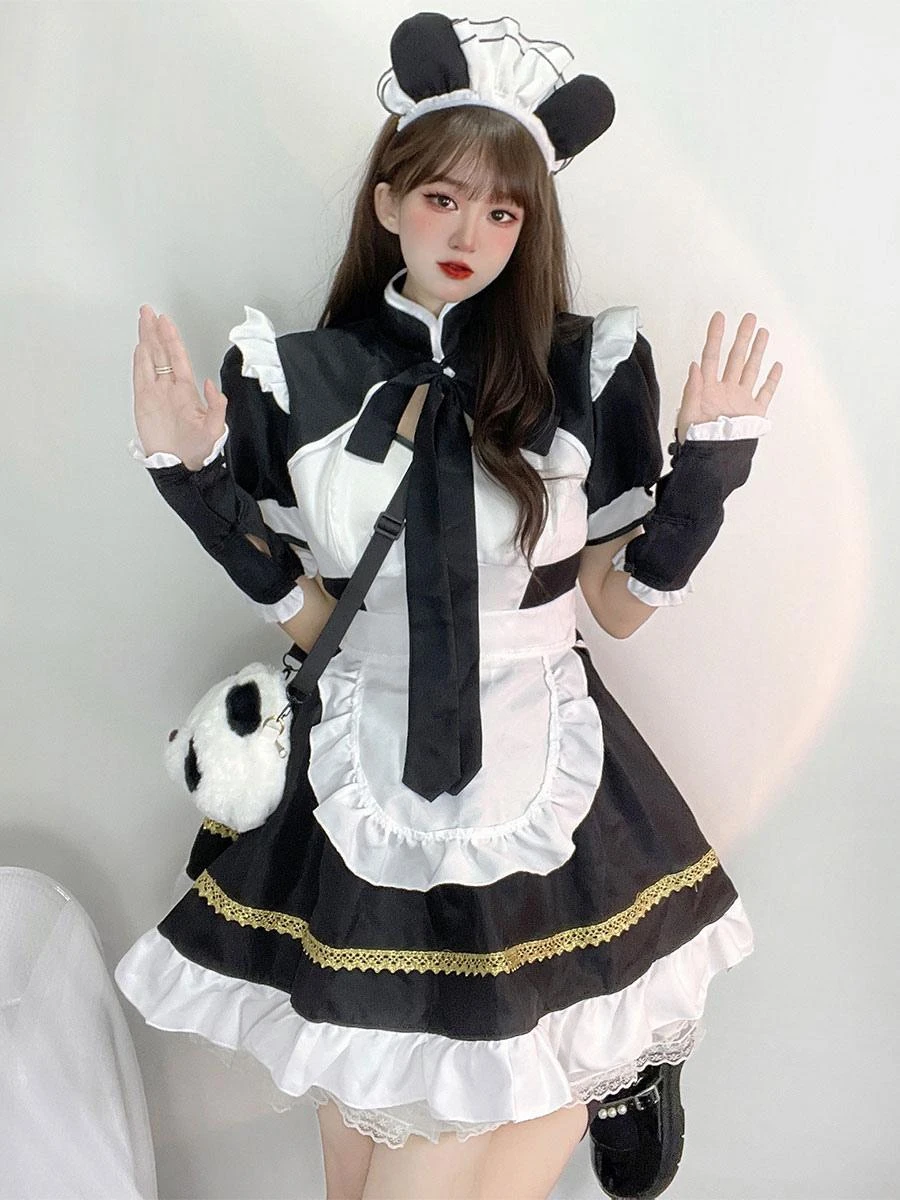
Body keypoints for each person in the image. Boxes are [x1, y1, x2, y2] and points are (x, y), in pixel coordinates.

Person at [114, 13, 782, 1200]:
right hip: (357, 790)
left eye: (503, 212)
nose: (470, 234)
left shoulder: (580, 371)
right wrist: (196, 492)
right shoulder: (299, 378)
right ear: (388, 203)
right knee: (353, 1169)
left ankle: (606, 1062)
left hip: (543, 782)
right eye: (441, 198)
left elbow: (613, 610)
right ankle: (607, 1067)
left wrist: (705, 486)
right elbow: (319, 624)